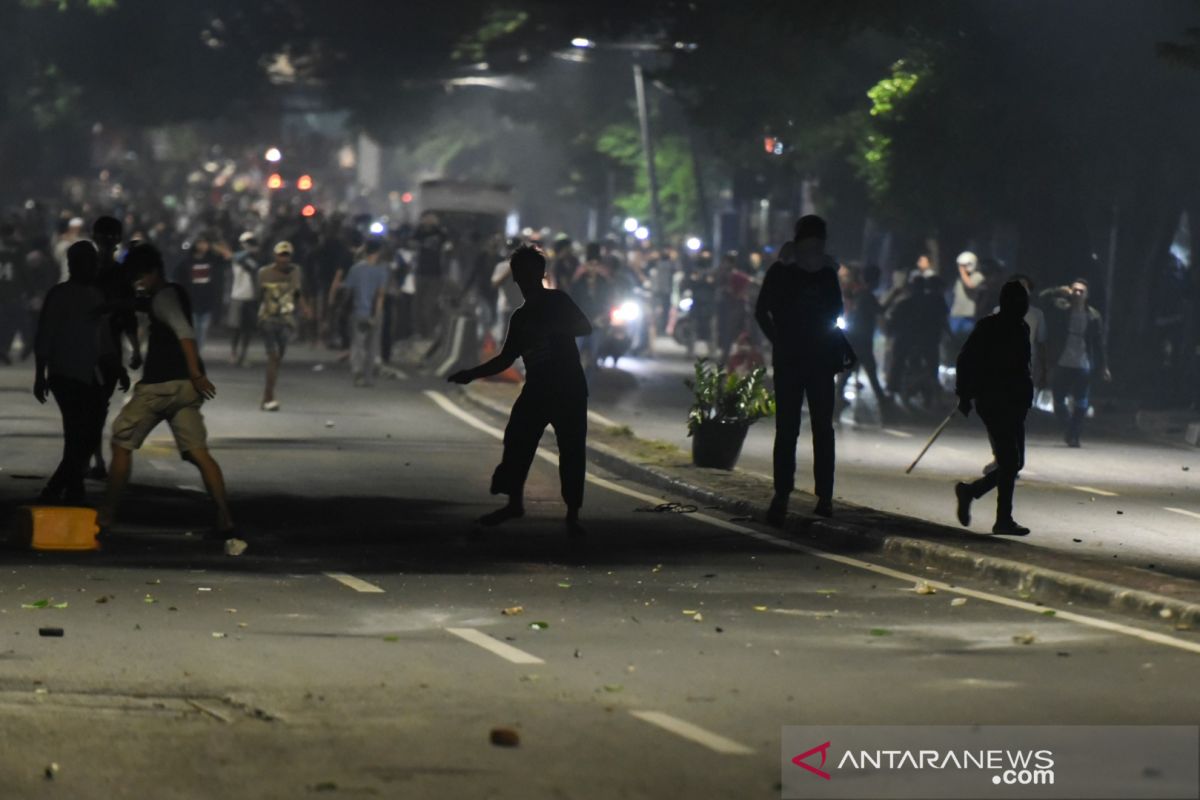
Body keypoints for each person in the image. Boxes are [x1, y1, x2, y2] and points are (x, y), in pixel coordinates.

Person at [448, 245, 592, 536]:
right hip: (538, 388)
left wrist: (554, 328)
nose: (523, 279)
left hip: (568, 387)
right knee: (517, 439)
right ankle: (515, 502)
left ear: (539, 274)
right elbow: (505, 359)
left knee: (572, 450)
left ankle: (573, 513)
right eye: (519, 273)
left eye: (527, 273)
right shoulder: (520, 317)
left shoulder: (558, 301)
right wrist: (472, 374)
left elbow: (585, 328)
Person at [96, 243, 235, 540]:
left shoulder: (164, 299)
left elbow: (184, 332)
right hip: (185, 390)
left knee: (122, 439)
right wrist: (117, 305)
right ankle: (224, 516)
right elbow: (146, 305)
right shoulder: (173, 293)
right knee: (198, 453)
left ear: (153, 272)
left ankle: (106, 514)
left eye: (140, 277)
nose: (138, 283)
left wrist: (196, 373)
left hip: (161, 387)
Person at [755, 215, 844, 523]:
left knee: (813, 429)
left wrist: (779, 340)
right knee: (797, 429)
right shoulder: (784, 271)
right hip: (798, 360)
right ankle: (789, 494)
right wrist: (779, 341)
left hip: (810, 360)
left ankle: (819, 496)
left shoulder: (823, 274)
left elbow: (837, 314)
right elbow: (761, 311)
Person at [32, 241, 112, 505]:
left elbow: (101, 337)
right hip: (65, 373)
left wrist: (113, 367)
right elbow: (45, 335)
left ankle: (70, 488)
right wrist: (40, 374)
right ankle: (59, 488)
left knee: (81, 435)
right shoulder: (61, 295)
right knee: (79, 434)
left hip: (87, 373)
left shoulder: (95, 295)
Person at [954, 280, 1034, 536]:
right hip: (993, 401)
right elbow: (966, 360)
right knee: (1009, 461)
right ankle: (1003, 519)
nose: (1022, 306)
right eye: (1018, 301)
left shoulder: (1022, 328)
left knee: (1016, 463)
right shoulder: (988, 327)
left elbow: (1023, 367)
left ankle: (971, 491)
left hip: (1016, 403)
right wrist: (964, 395)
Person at [90, 215, 141, 480]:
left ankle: (94, 459)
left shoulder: (91, 271)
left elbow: (129, 314)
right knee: (96, 406)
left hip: (97, 347)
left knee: (94, 406)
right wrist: (135, 349)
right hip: (100, 347)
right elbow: (129, 314)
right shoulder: (111, 273)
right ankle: (94, 459)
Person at [1040, 278, 1110, 447]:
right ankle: (1069, 429)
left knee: (1081, 401)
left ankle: (1074, 435)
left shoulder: (1093, 316)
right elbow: (1041, 298)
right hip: (1063, 360)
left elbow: (1098, 343)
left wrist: (1103, 366)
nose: (1078, 294)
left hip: (1083, 363)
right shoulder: (1062, 308)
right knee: (1058, 400)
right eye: (1075, 290)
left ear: (1087, 295)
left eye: (1081, 291)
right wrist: (1058, 290)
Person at [257, 240, 307, 411]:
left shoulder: (295, 272)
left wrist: (305, 308)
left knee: (278, 358)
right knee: (274, 356)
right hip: (268, 319)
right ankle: (268, 396)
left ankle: (268, 395)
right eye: (281, 255)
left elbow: (297, 292)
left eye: (287, 256)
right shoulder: (264, 273)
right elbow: (258, 296)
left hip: (286, 321)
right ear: (275, 256)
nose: (284, 259)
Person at [837, 263, 888, 412]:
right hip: (861, 340)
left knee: (855, 371)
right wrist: (895, 294)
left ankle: (838, 398)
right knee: (867, 370)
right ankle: (882, 400)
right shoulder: (866, 295)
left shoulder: (860, 293)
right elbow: (880, 310)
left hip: (856, 339)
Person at [342, 238, 390, 386]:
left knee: (358, 343)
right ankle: (368, 376)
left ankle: (358, 373)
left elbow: (348, 291)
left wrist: (342, 309)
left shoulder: (355, 269)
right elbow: (380, 295)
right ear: (378, 252)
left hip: (358, 312)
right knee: (372, 345)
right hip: (374, 312)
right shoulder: (382, 270)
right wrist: (376, 315)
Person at [174, 233, 228, 352]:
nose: (203, 246)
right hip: (191, 300)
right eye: (200, 243)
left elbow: (227, 256)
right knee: (193, 328)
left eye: (205, 243)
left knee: (202, 329)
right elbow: (177, 276)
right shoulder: (187, 261)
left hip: (207, 300)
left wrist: (215, 246)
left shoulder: (213, 259)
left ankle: (196, 352)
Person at [413, 212, 449, 338]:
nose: (429, 221)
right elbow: (412, 240)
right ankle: (420, 332)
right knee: (418, 305)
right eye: (426, 218)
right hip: (420, 273)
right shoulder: (419, 233)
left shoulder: (440, 233)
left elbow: (446, 240)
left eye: (431, 218)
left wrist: (436, 226)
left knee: (429, 305)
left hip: (436, 274)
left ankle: (431, 332)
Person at [227, 232, 260, 366]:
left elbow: (254, 268)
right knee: (236, 328)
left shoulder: (255, 260)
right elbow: (239, 258)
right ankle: (233, 353)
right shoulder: (238, 258)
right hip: (238, 296)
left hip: (251, 297)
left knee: (248, 329)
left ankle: (243, 354)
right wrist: (248, 251)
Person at [0, 223, 28, 364]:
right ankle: (4, 347)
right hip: (12, 290)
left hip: (7, 289)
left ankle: (3, 348)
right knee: (11, 321)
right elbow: (23, 270)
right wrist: (28, 290)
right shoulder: (18, 247)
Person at [949, 251, 983, 341]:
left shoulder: (978, 276)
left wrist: (962, 272)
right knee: (953, 340)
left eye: (964, 265)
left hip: (969, 315)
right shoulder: (959, 278)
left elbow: (970, 285)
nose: (961, 268)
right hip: (955, 315)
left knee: (967, 340)